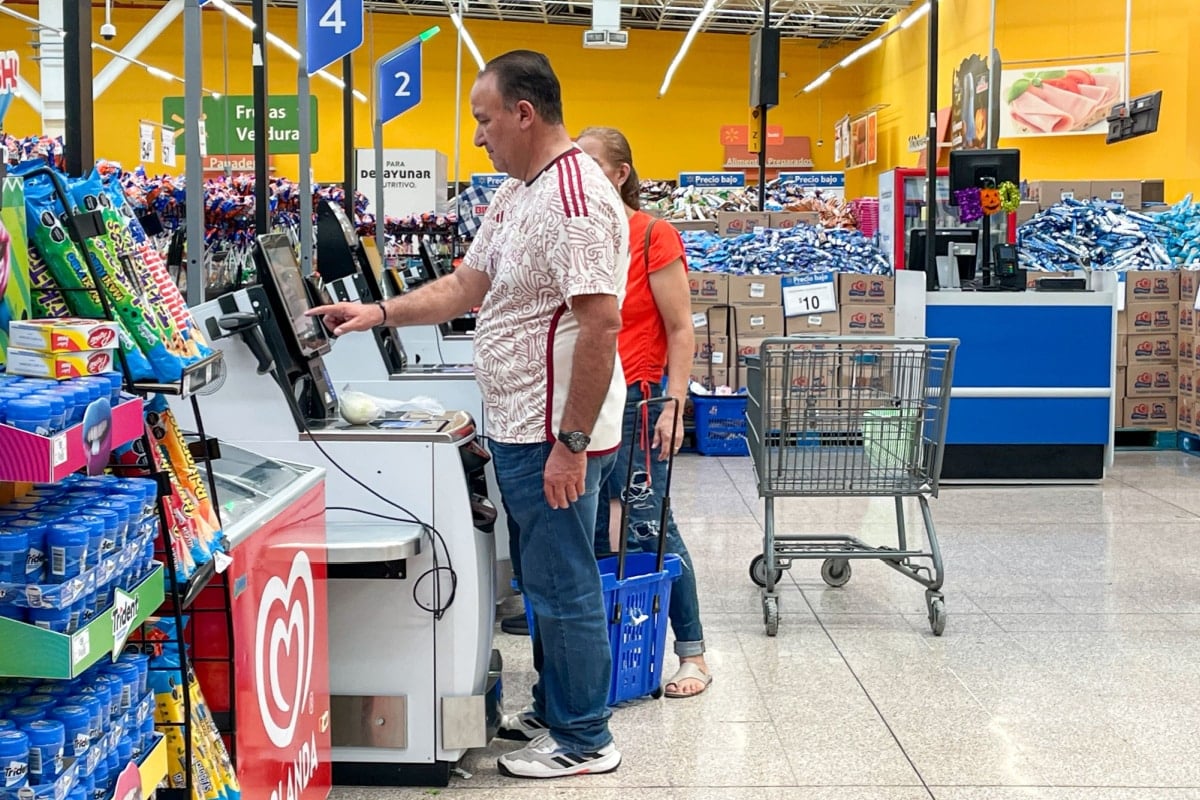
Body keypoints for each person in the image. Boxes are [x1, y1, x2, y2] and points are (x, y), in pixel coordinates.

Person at [308, 50, 630, 779]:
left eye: (484, 119)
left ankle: (586, 740)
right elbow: (466, 284)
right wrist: (378, 312)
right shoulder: (521, 194)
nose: (478, 135)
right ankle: (558, 710)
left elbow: (602, 325)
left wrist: (571, 444)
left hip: (553, 430)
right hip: (519, 422)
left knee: (564, 581)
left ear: (524, 113)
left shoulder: (576, 201)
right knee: (547, 578)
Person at [575, 127, 712, 698]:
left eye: (590, 166)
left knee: (650, 523)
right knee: (594, 531)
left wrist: (673, 406)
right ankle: (619, 646)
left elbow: (682, 330)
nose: (578, 178)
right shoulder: (580, 237)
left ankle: (693, 653)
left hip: (637, 395)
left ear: (621, 173)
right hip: (583, 401)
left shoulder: (652, 234)